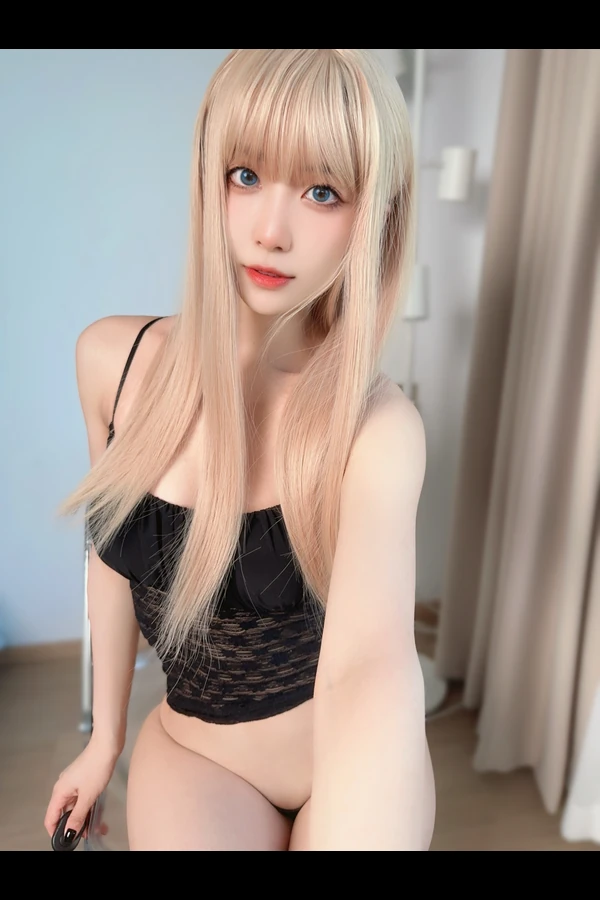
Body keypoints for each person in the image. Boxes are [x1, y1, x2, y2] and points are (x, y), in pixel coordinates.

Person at [44, 49, 435, 851]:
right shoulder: (112, 363)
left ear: (374, 215)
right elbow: (112, 562)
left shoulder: (377, 429)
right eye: (246, 176)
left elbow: (370, 667)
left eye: (322, 192)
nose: (270, 231)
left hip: (351, 755)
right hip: (199, 753)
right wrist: (103, 738)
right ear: (207, 175)